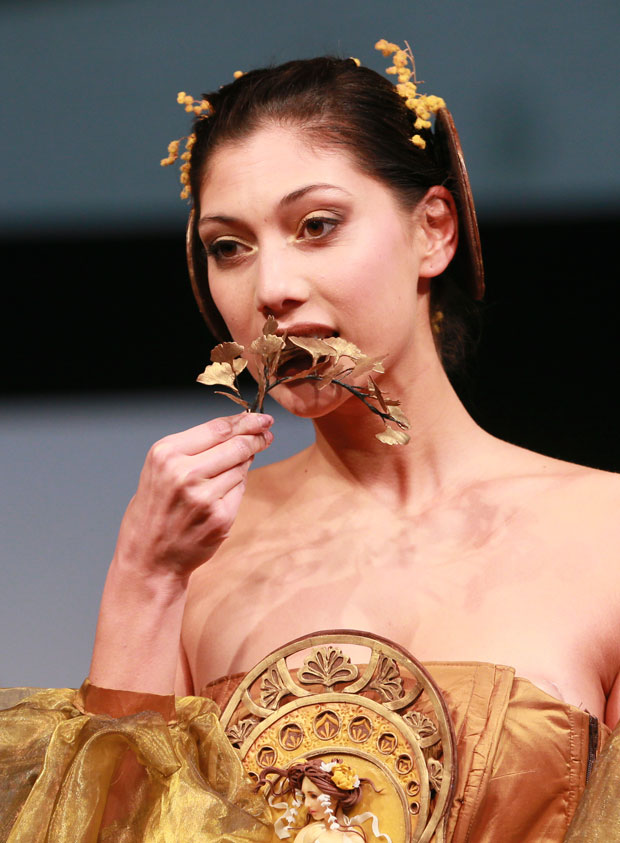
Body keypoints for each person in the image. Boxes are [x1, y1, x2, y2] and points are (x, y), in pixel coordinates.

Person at [1, 41, 619, 842]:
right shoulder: (198, 554)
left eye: (317, 225)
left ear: (433, 230)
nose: (272, 289)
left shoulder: (603, 533)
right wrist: (144, 578)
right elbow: (107, 830)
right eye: (229, 247)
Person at [257, 759, 378, 842]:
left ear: (335, 797)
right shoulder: (308, 832)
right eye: (304, 796)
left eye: (313, 796)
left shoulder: (353, 839)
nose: (307, 804)